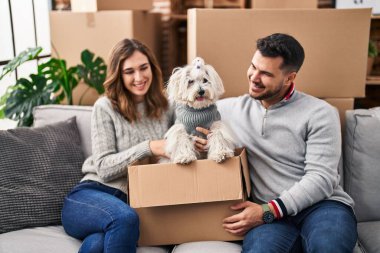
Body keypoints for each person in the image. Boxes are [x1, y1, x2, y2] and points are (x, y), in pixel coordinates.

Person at [195, 33, 357, 252]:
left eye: (265, 73)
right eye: (253, 67)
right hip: (270, 218)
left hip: (321, 207)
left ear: (290, 78)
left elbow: (322, 178)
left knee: (329, 246)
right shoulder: (227, 110)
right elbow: (181, 111)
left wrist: (268, 210)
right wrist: (202, 145)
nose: (254, 77)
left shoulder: (320, 113)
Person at [61, 38, 173, 253]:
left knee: (96, 245)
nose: (139, 77)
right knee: (125, 219)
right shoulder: (105, 107)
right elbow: (103, 167)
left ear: (153, 68)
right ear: (118, 75)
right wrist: (147, 147)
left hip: (129, 201)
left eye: (143, 68)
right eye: (129, 71)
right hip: (90, 196)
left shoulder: (165, 106)